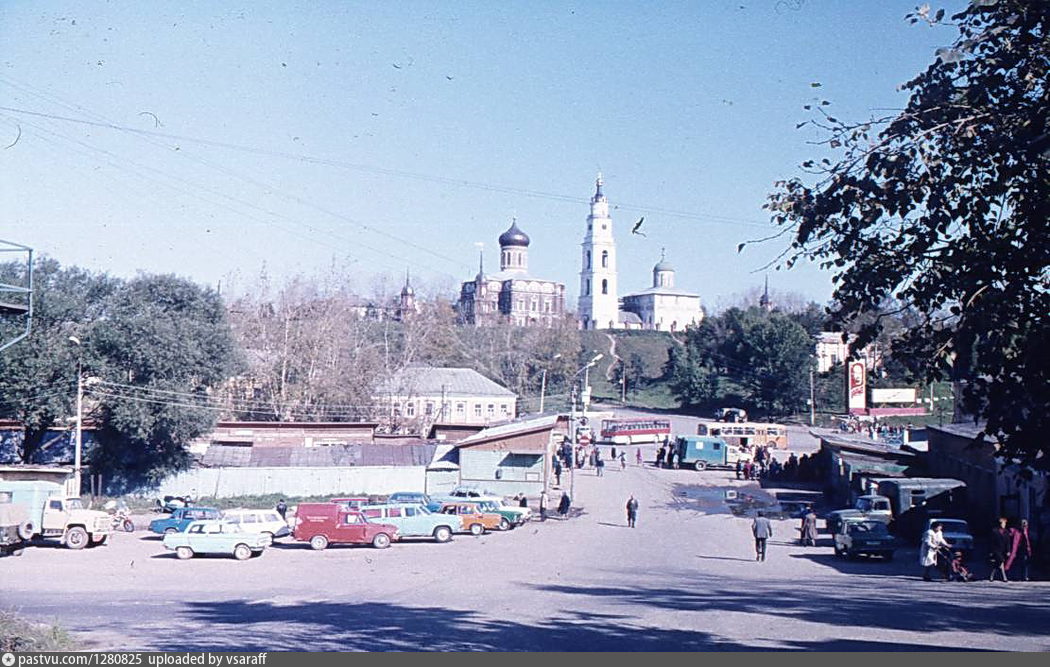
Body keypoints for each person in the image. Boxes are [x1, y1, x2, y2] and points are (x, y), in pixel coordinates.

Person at [989, 517, 1011, 582]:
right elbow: (991, 542)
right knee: (1001, 561)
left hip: (1003, 550)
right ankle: (1004, 577)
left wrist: (1008, 550)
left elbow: (1008, 542)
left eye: (1005, 523)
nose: (1004, 525)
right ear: (1000, 524)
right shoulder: (994, 531)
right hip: (996, 550)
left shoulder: (1006, 532)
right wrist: (991, 551)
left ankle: (991, 576)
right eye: (1003, 523)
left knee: (997, 564)